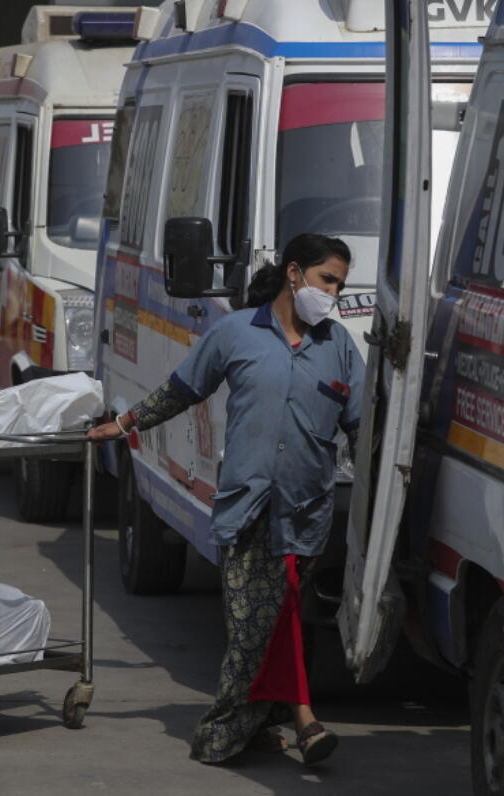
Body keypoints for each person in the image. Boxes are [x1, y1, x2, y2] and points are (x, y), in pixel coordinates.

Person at [89, 233, 364, 769]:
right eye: (327, 280)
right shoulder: (236, 332)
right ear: (293, 273)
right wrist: (123, 423)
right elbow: (180, 390)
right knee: (251, 630)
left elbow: (361, 430)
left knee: (282, 618)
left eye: (340, 285)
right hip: (248, 507)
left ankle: (265, 726)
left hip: (306, 512)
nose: (332, 294)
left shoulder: (339, 347)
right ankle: (243, 730)